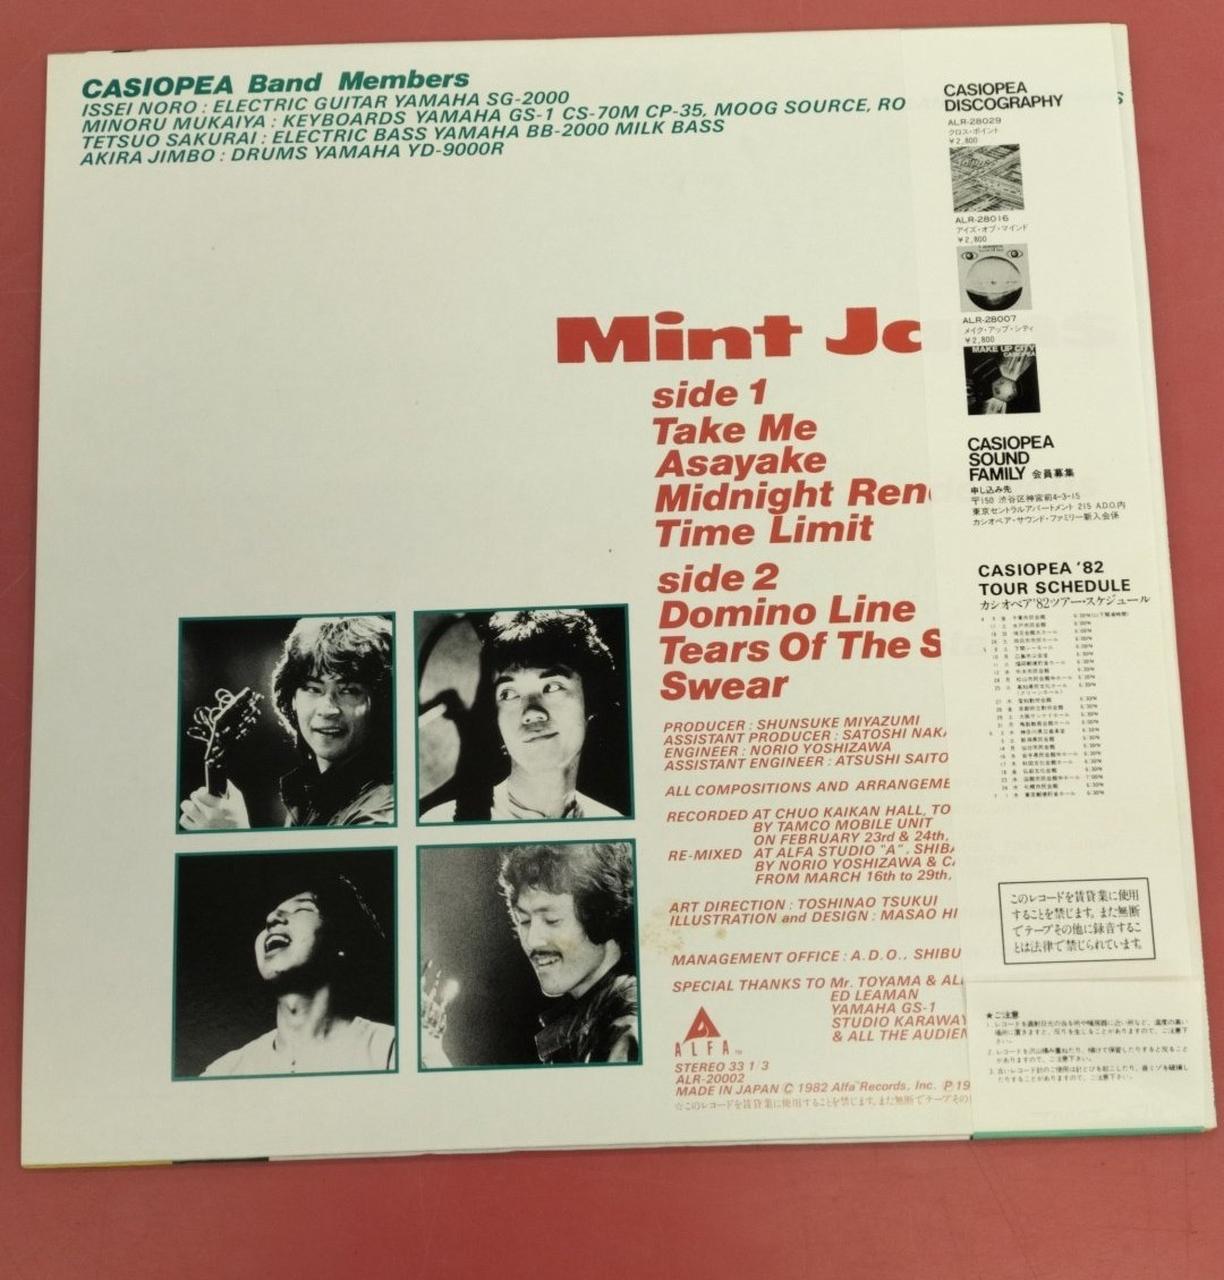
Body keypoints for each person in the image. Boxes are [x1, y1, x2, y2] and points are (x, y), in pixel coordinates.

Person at [421, 842, 638, 1067]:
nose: (532, 940)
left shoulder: (627, 1031)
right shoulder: (594, 1022)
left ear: (603, 916)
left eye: (552, 920)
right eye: (523, 921)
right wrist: (431, 1054)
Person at [181, 615, 394, 829]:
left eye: (348, 691)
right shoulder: (308, 798)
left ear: (381, 703)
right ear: (292, 699)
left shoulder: (383, 810)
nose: (327, 709)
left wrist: (234, 836)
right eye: (313, 689)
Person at [420, 609, 624, 822]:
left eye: (553, 687)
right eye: (508, 694)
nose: (532, 713)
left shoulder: (612, 824)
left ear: (591, 699)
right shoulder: (440, 823)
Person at [202, 873, 396, 1076]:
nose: (271, 919)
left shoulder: (390, 1051)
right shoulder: (223, 1072)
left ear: (340, 940)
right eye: (271, 915)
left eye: (301, 909)